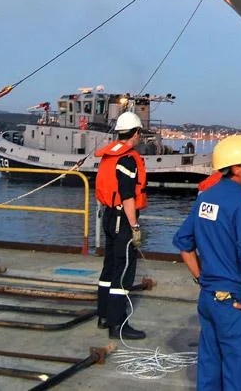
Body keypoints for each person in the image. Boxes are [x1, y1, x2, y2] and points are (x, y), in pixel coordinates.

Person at [174, 135, 241, 391]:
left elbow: (184, 244)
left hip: (209, 299)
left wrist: (202, 279)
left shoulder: (206, 197)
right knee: (239, 373)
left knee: (210, 366)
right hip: (236, 303)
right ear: (237, 168)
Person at [95, 111, 148, 340]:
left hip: (108, 216)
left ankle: (104, 315)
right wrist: (134, 227)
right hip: (122, 219)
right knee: (123, 271)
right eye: (140, 133)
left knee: (109, 268)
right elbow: (128, 196)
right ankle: (118, 324)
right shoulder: (127, 159)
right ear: (135, 133)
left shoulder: (110, 156)